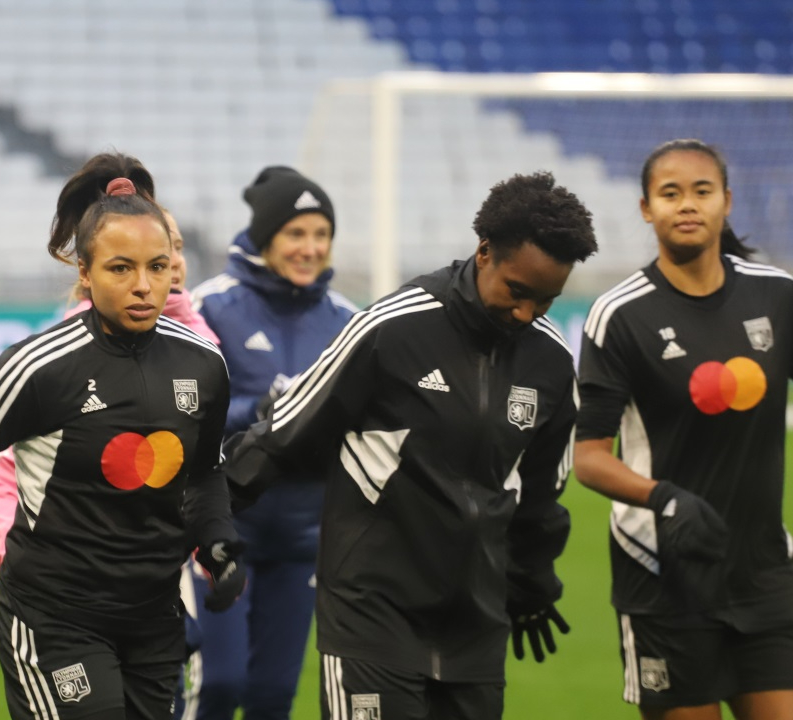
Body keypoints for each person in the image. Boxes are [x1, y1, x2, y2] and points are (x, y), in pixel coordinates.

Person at [227, 171, 597, 720]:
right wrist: (203, 518)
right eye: (518, 292)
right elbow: (283, 434)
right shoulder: (392, 327)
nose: (527, 313)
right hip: (371, 618)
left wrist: (532, 579)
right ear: (485, 251)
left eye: (546, 300)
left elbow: (540, 493)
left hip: (475, 629)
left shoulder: (549, 363)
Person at [0, 152, 243, 720]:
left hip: (154, 620)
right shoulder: (40, 366)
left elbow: (206, 470)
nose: (143, 286)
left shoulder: (204, 361)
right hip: (53, 622)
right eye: (121, 268)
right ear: (85, 273)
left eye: (158, 266)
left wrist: (218, 542)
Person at [573, 139, 793, 720]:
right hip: (663, 572)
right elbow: (589, 457)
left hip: (765, 573)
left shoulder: (777, 294)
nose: (687, 205)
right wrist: (664, 499)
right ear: (647, 209)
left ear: (727, 201)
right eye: (670, 193)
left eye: (701, 191)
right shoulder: (620, 315)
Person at [182, 166, 355, 720]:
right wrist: (256, 413)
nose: (310, 249)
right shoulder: (208, 307)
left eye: (321, 235)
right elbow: (181, 414)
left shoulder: (349, 322)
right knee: (219, 684)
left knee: (272, 697)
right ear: (265, 236)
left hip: (304, 538)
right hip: (221, 531)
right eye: (296, 234)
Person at [0, 207, 218, 573]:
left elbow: (202, 462)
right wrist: (26, 568)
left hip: (165, 564)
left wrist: (213, 539)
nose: (175, 261)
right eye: (125, 264)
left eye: (175, 248)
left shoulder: (204, 342)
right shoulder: (68, 356)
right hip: (79, 579)